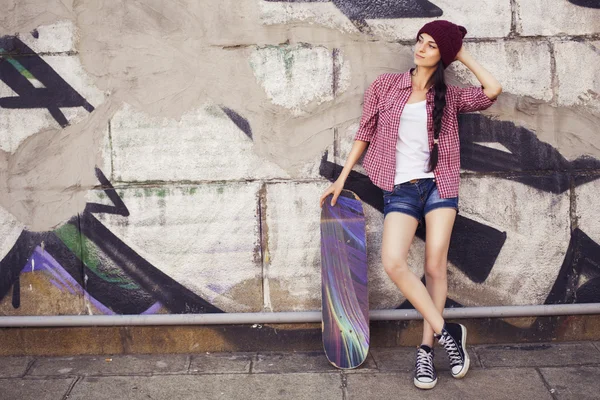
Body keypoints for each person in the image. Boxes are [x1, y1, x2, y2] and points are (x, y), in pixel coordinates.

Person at [319, 20, 502, 389]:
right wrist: (342, 177)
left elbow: (492, 90)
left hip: (439, 186)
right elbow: (365, 132)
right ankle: (447, 333)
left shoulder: (449, 97)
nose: (420, 48)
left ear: (443, 55)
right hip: (399, 189)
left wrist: (459, 52)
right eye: (420, 40)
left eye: (432, 45)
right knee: (393, 261)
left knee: (435, 265)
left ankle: (425, 351)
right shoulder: (386, 86)